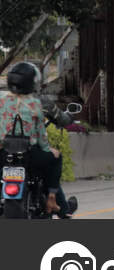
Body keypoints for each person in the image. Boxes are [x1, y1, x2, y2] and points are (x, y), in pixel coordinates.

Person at [0, 62, 73, 216]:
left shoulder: (1, 99)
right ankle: (52, 199)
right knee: (56, 157)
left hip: (3, 154)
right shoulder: (36, 103)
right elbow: (41, 138)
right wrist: (48, 150)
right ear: (32, 83)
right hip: (28, 155)